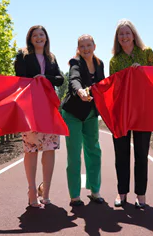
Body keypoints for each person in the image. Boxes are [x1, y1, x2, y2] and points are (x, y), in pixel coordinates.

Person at [109, 19, 153, 209]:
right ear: (117, 38)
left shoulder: (146, 53)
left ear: (134, 34)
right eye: (121, 34)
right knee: (121, 154)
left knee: (141, 154)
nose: (124, 37)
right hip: (122, 112)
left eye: (127, 33)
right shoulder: (115, 60)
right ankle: (122, 193)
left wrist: (142, 71)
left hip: (143, 111)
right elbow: (113, 87)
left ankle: (141, 194)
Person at [14, 25, 64, 208]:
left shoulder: (51, 57)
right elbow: (18, 79)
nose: (39, 37)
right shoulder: (22, 55)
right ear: (30, 38)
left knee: (49, 147)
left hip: (49, 108)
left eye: (41, 34)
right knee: (31, 148)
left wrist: (43, 77)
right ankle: (32, 189)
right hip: (30, 108)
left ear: (46, 38)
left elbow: (60, 79)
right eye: (35, 35)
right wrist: (33, 79)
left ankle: (47, 192)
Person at [61, 34, 105, 206]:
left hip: (91, 113)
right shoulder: (75, 62)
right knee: (74, 154)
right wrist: (80, 91)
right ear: (78, 48)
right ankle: (74, 195)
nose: (86, 49)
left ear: (94, 45)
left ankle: (95, 191)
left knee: (94, 151)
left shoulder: (100, 64)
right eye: (82, 46)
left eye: (89, 45)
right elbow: (74, 80)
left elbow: (102, 85)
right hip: (73, 112)